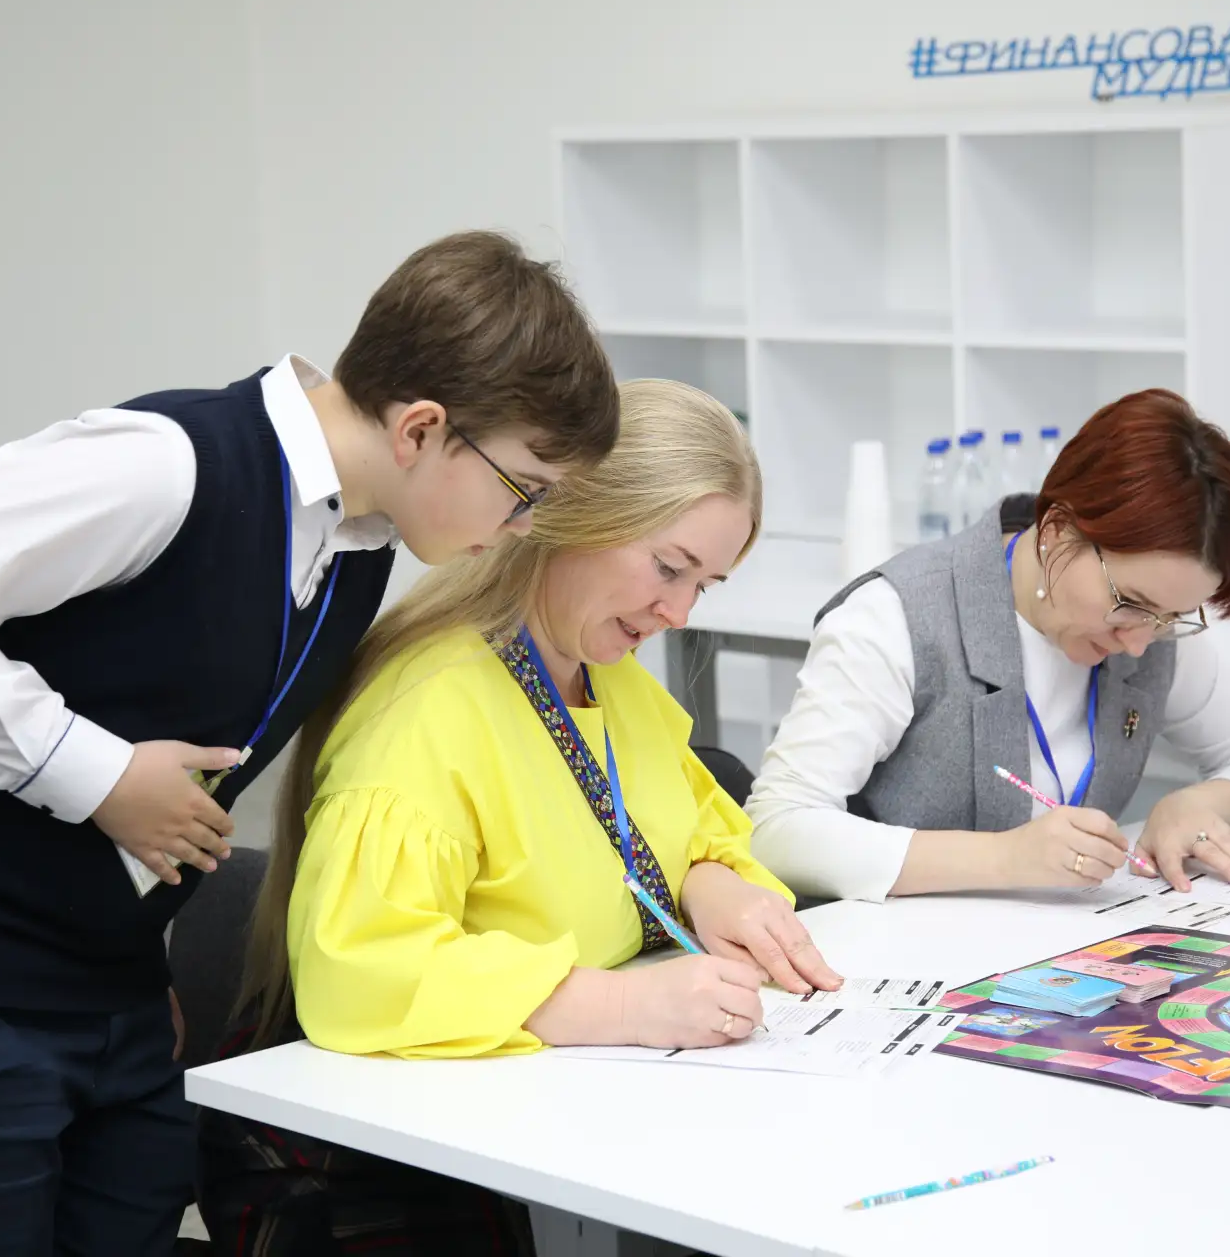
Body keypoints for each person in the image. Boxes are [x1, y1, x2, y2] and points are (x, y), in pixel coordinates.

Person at [0, 231, 619, 1256]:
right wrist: (93, 773)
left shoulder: (362, 542)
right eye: (524, 487)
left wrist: (134, 966)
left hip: (99, 978)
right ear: (423, 428)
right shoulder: (163, 463)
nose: (525, 523)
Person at [198, 379, 837, 1256]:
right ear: (572, 514)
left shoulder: (603, 677)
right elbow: (361, 971)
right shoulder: (430, 708)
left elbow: (680, 819)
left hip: (541, 1129)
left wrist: (709, 879)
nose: (681, 613)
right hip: (376, 1163)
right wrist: (618, 1004)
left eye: (707, 584)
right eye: (668, 568)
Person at [746, 388, 1230, 902]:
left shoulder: (1150, 626)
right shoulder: (897, 617)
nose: (1139, 643)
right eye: (1130, 602)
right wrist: (1003, 859)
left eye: (1172, 618)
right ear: (1057, 533)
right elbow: (777, 827)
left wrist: (1195, 804)